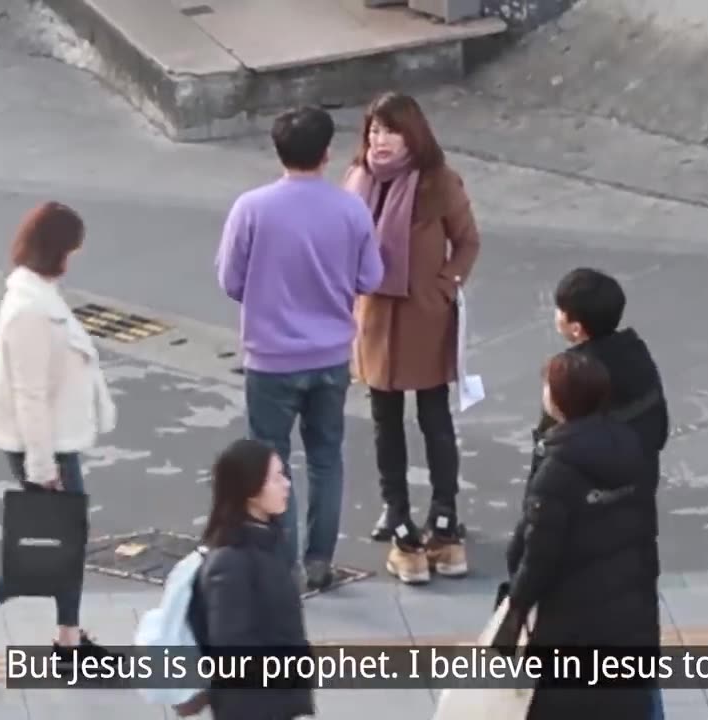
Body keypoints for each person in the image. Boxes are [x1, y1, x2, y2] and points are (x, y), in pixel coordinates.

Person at [0, 201, 117, 668]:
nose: (76, 258)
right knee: (56, 544)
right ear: (58, 250)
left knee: (65, 542)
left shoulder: (38, 295)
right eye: (73, 249)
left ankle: (68, 640)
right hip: (44, 446)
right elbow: (30, 394)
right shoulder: (30, 311)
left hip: (56, 441)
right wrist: (43, 468)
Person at [215, 107, 385, 592]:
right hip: (331, 356)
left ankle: (282, 563)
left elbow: (230, 280)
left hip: (269, 359)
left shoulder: (252, 207)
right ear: (327, 152)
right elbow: (371, 277)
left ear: (277, 150)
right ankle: (319, 560)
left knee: (271, 462)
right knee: (326, 457)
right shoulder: (351, 209)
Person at [344, 92, 481, 586]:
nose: (379, 141)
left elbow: (468, 241)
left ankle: (444, 513)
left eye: (389, 130)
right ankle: (395, 508)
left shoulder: (439, 182)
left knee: (433, 415)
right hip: (376, 315)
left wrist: (445, 285)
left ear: (412, 134)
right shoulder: (358, 179)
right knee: (384, 419)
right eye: (373, 131)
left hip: (425, 314)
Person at [531, 267, 670, 719]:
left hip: (576, 584)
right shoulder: (638, 359)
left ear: (575, 327)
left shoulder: (571, 414)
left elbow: (536, 540)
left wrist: (517, 602)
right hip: (632, 545)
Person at [498, 351, 659, 719]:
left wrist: (516, 608)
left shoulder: (557, 472)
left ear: (558, 401)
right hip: (631, 613)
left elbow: (538, 558)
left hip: (570, 623)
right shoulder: (632, 449)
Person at [187, 438, 316, 720]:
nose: (287, 484)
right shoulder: (231, 562)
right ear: (250, 489)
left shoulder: (268, 540)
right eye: (276, 477)